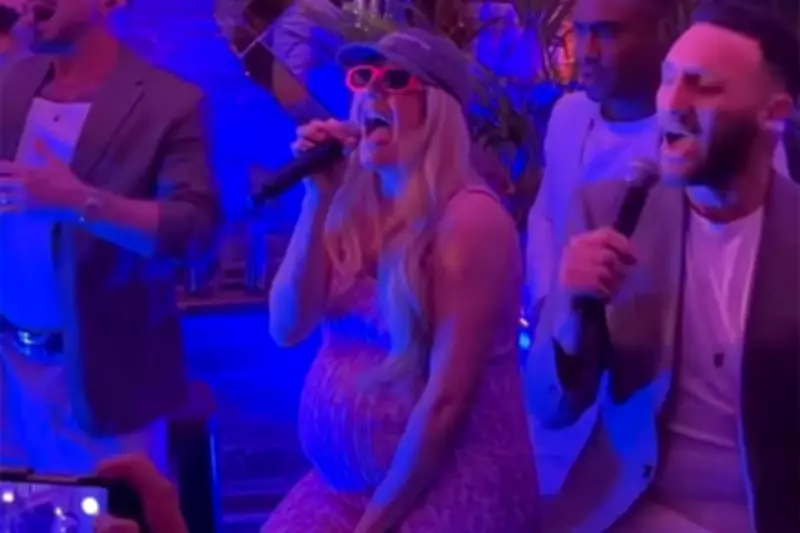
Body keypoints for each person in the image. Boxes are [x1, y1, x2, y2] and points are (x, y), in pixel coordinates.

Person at [525, 3, 800, 532]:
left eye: (704, 87)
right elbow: (550, 406)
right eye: (669, 79)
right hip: (633, 510)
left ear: (773, 113)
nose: (672, 103)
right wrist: (568, 316)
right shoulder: (610, 214)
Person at [264, 28, 539, 532]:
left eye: (394, 81)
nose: (372, 91)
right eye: (363, 77)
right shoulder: (352, 204)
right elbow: (286, 327)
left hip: (439, 485)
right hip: (342, 492)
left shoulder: (469, 220)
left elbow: (446, 403)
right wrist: (317, 198)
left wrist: (372, 527)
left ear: (438, 111)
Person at [0, 0, 219, 475]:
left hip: (105, 385)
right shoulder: (10, 83)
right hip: (8, 376)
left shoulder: (169, 102)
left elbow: (194, 233)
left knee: (113, 511)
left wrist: (80, 202)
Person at [525, 0, 674, 498]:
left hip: (652, 373)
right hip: (567, 355)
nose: (585, 51)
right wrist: (549, 301)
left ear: (663, 31)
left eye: (607, 33)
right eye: (580, 31)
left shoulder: (694, 129)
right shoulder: (569, 117)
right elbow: (546, 213)